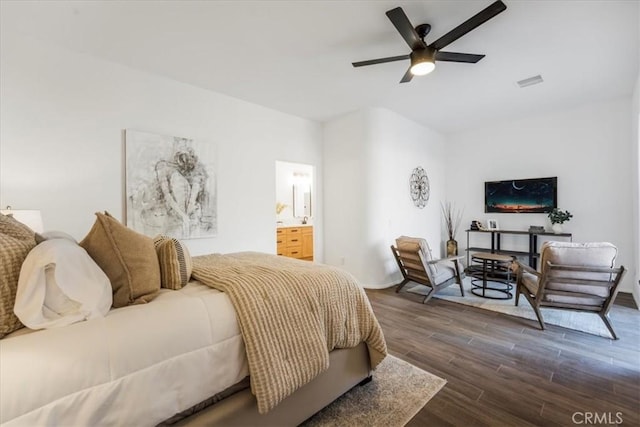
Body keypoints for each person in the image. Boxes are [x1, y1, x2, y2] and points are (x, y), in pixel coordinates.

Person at [155, 138, 209, 237]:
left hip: (191, 214)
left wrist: (188, 212)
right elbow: (167, 195)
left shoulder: (196, 169)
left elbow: (194, 194)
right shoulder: (163, 167)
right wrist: (182, 214)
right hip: (175, 215)